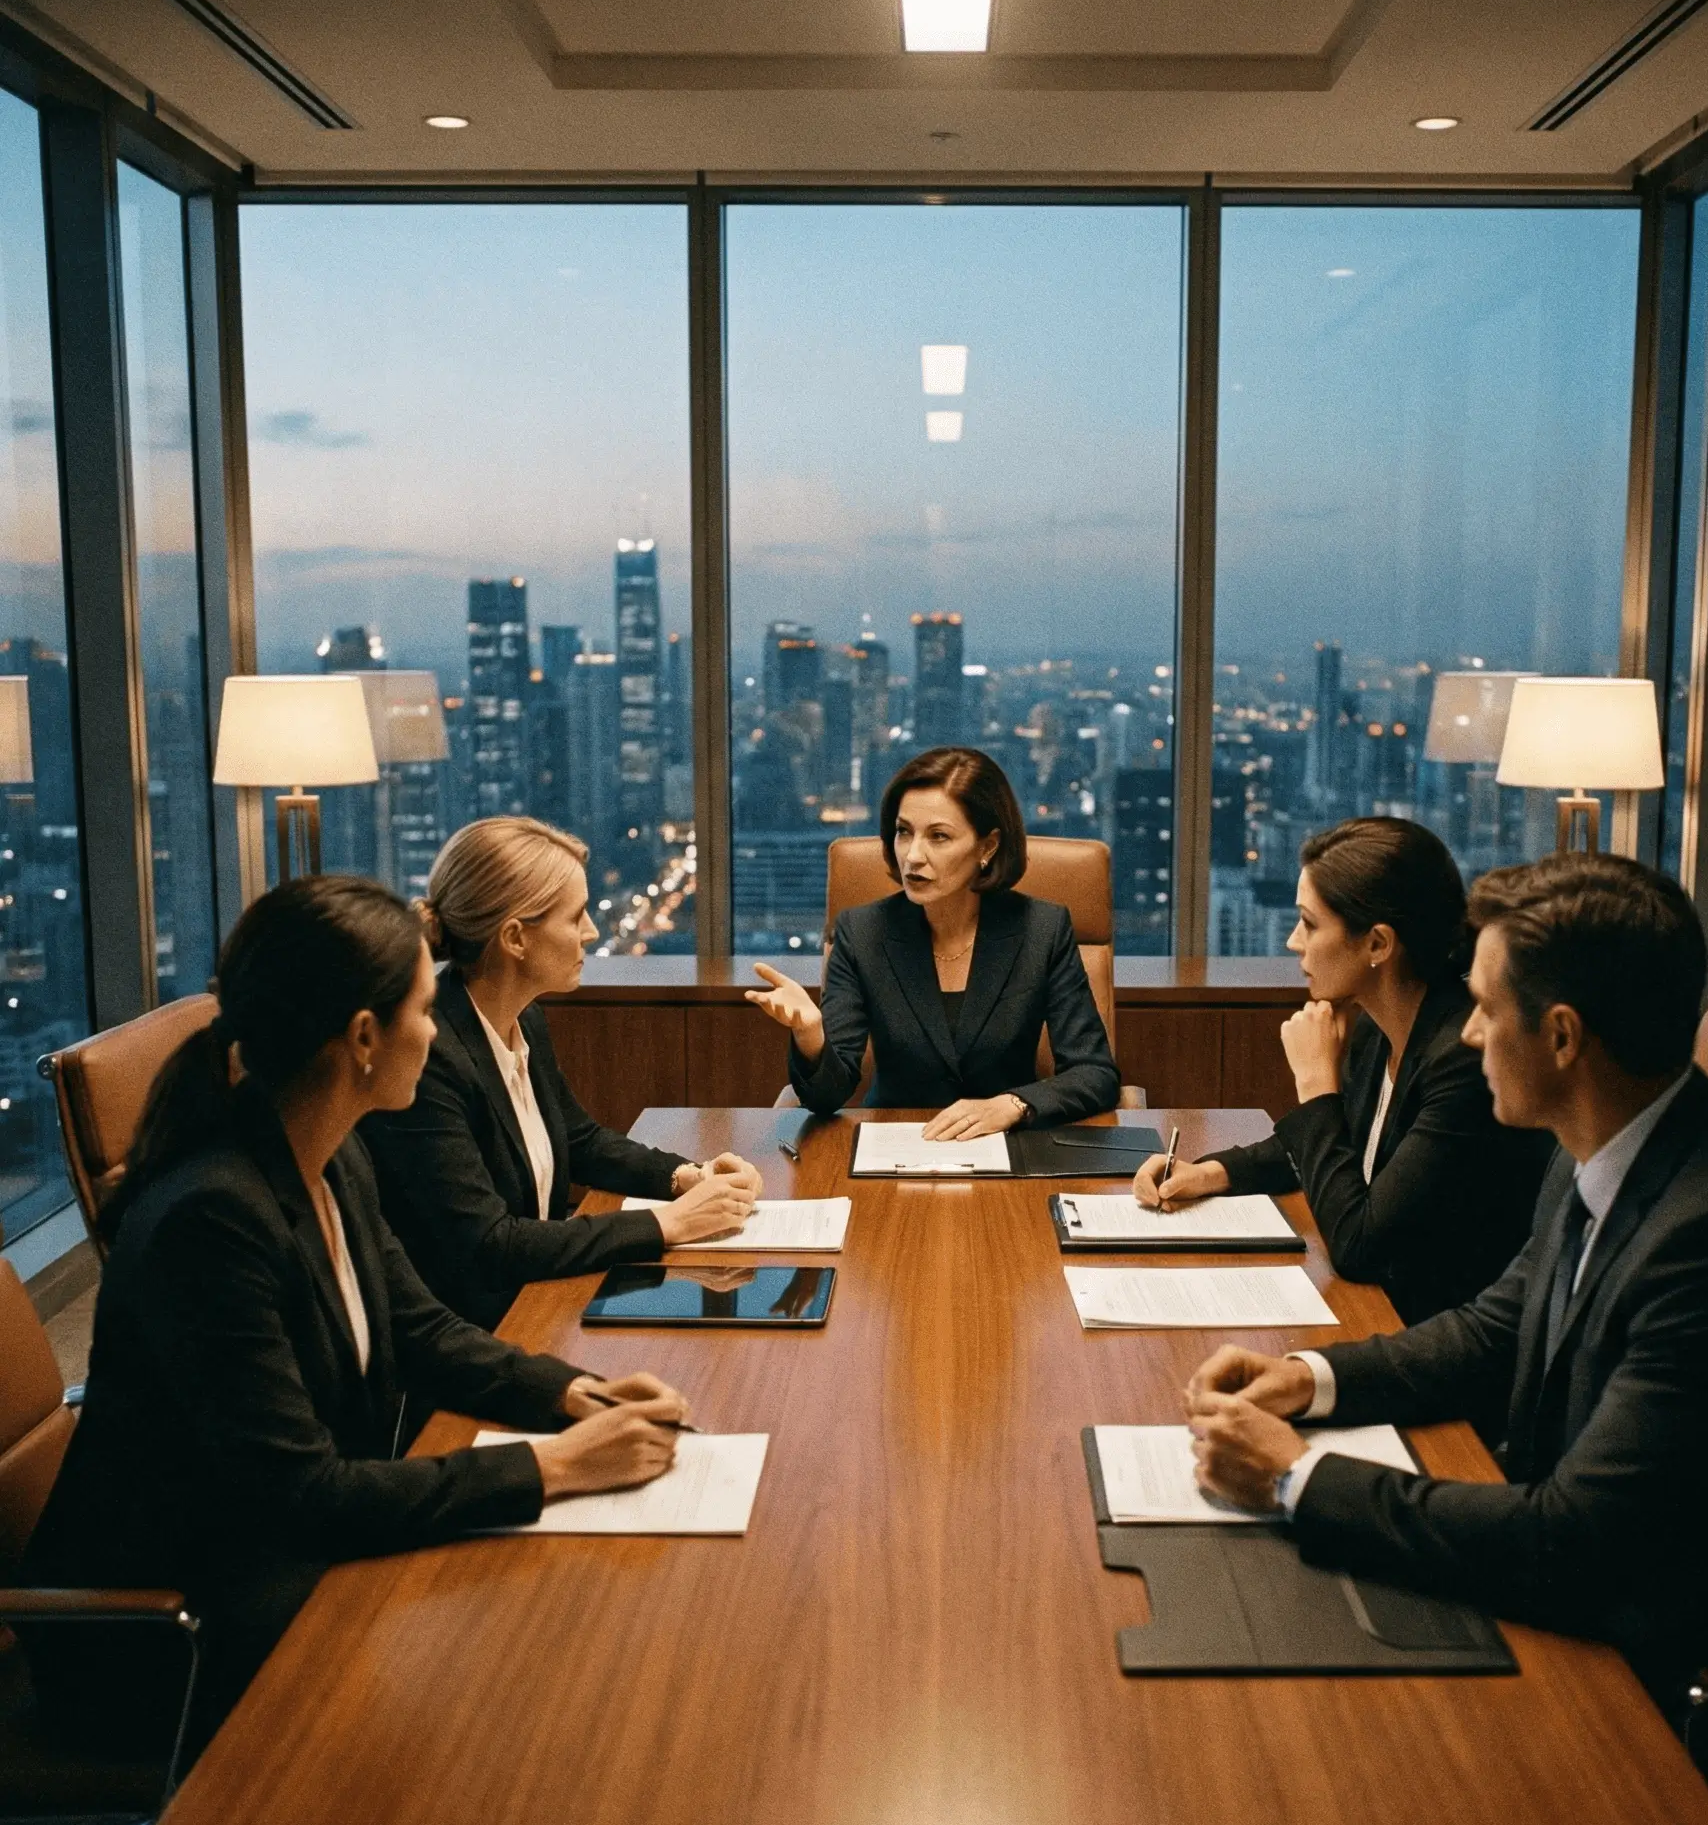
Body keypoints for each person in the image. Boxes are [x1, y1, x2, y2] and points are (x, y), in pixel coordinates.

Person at [1181, 853, 1708, 1706]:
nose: (1468, 1034)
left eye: (1483, 1008)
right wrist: (1307, 1379)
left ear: (1560, 1036)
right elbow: (1494, 1328)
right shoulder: (1612, 1144)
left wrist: (1295, 1478)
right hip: (1587, 1586)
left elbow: (1574, 1546)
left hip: (1682, 1686)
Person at [21, 877, 694, 1751]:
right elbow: (303, 1497)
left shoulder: (324, 1155)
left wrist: (574, 1396)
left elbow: (421, 1330)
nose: (437, 1028)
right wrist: (553, 1469)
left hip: (285, 1561)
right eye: (424, 1008)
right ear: (365, 1039)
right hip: (176, 1634)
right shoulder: (212, 1220)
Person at [1135, 818, 1553, 1323]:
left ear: (1378, 944)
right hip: (1386, 1311)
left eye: (1309, 924)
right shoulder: (1380, 1027)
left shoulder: (1462, 1061)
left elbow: (1360, 1246)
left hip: (1433, 1331)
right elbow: (1325, 1144)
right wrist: (1209, 1173)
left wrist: (1315, 1086)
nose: (1293, 941)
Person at [362, 818, 763, 1330]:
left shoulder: (521, 1015)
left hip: (537, 1305)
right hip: (478, 1336)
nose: (593, 932)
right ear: (515, 938)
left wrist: (688, 1177)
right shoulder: (428, 1055)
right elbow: (491, 1244)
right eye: (576, 918)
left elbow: (580, 1140)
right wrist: (669, 1223)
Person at [746, 747, 1120, 1131]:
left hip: (1010, 1149)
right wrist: (811, 1036)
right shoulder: (862, 933)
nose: (913, 856)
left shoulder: (1042, 929)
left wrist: (1015, 1104)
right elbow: (827, 1095)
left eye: (939, 836)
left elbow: (1095, 1073)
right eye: (904, 832)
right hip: (892, 1147)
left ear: (987, 846)